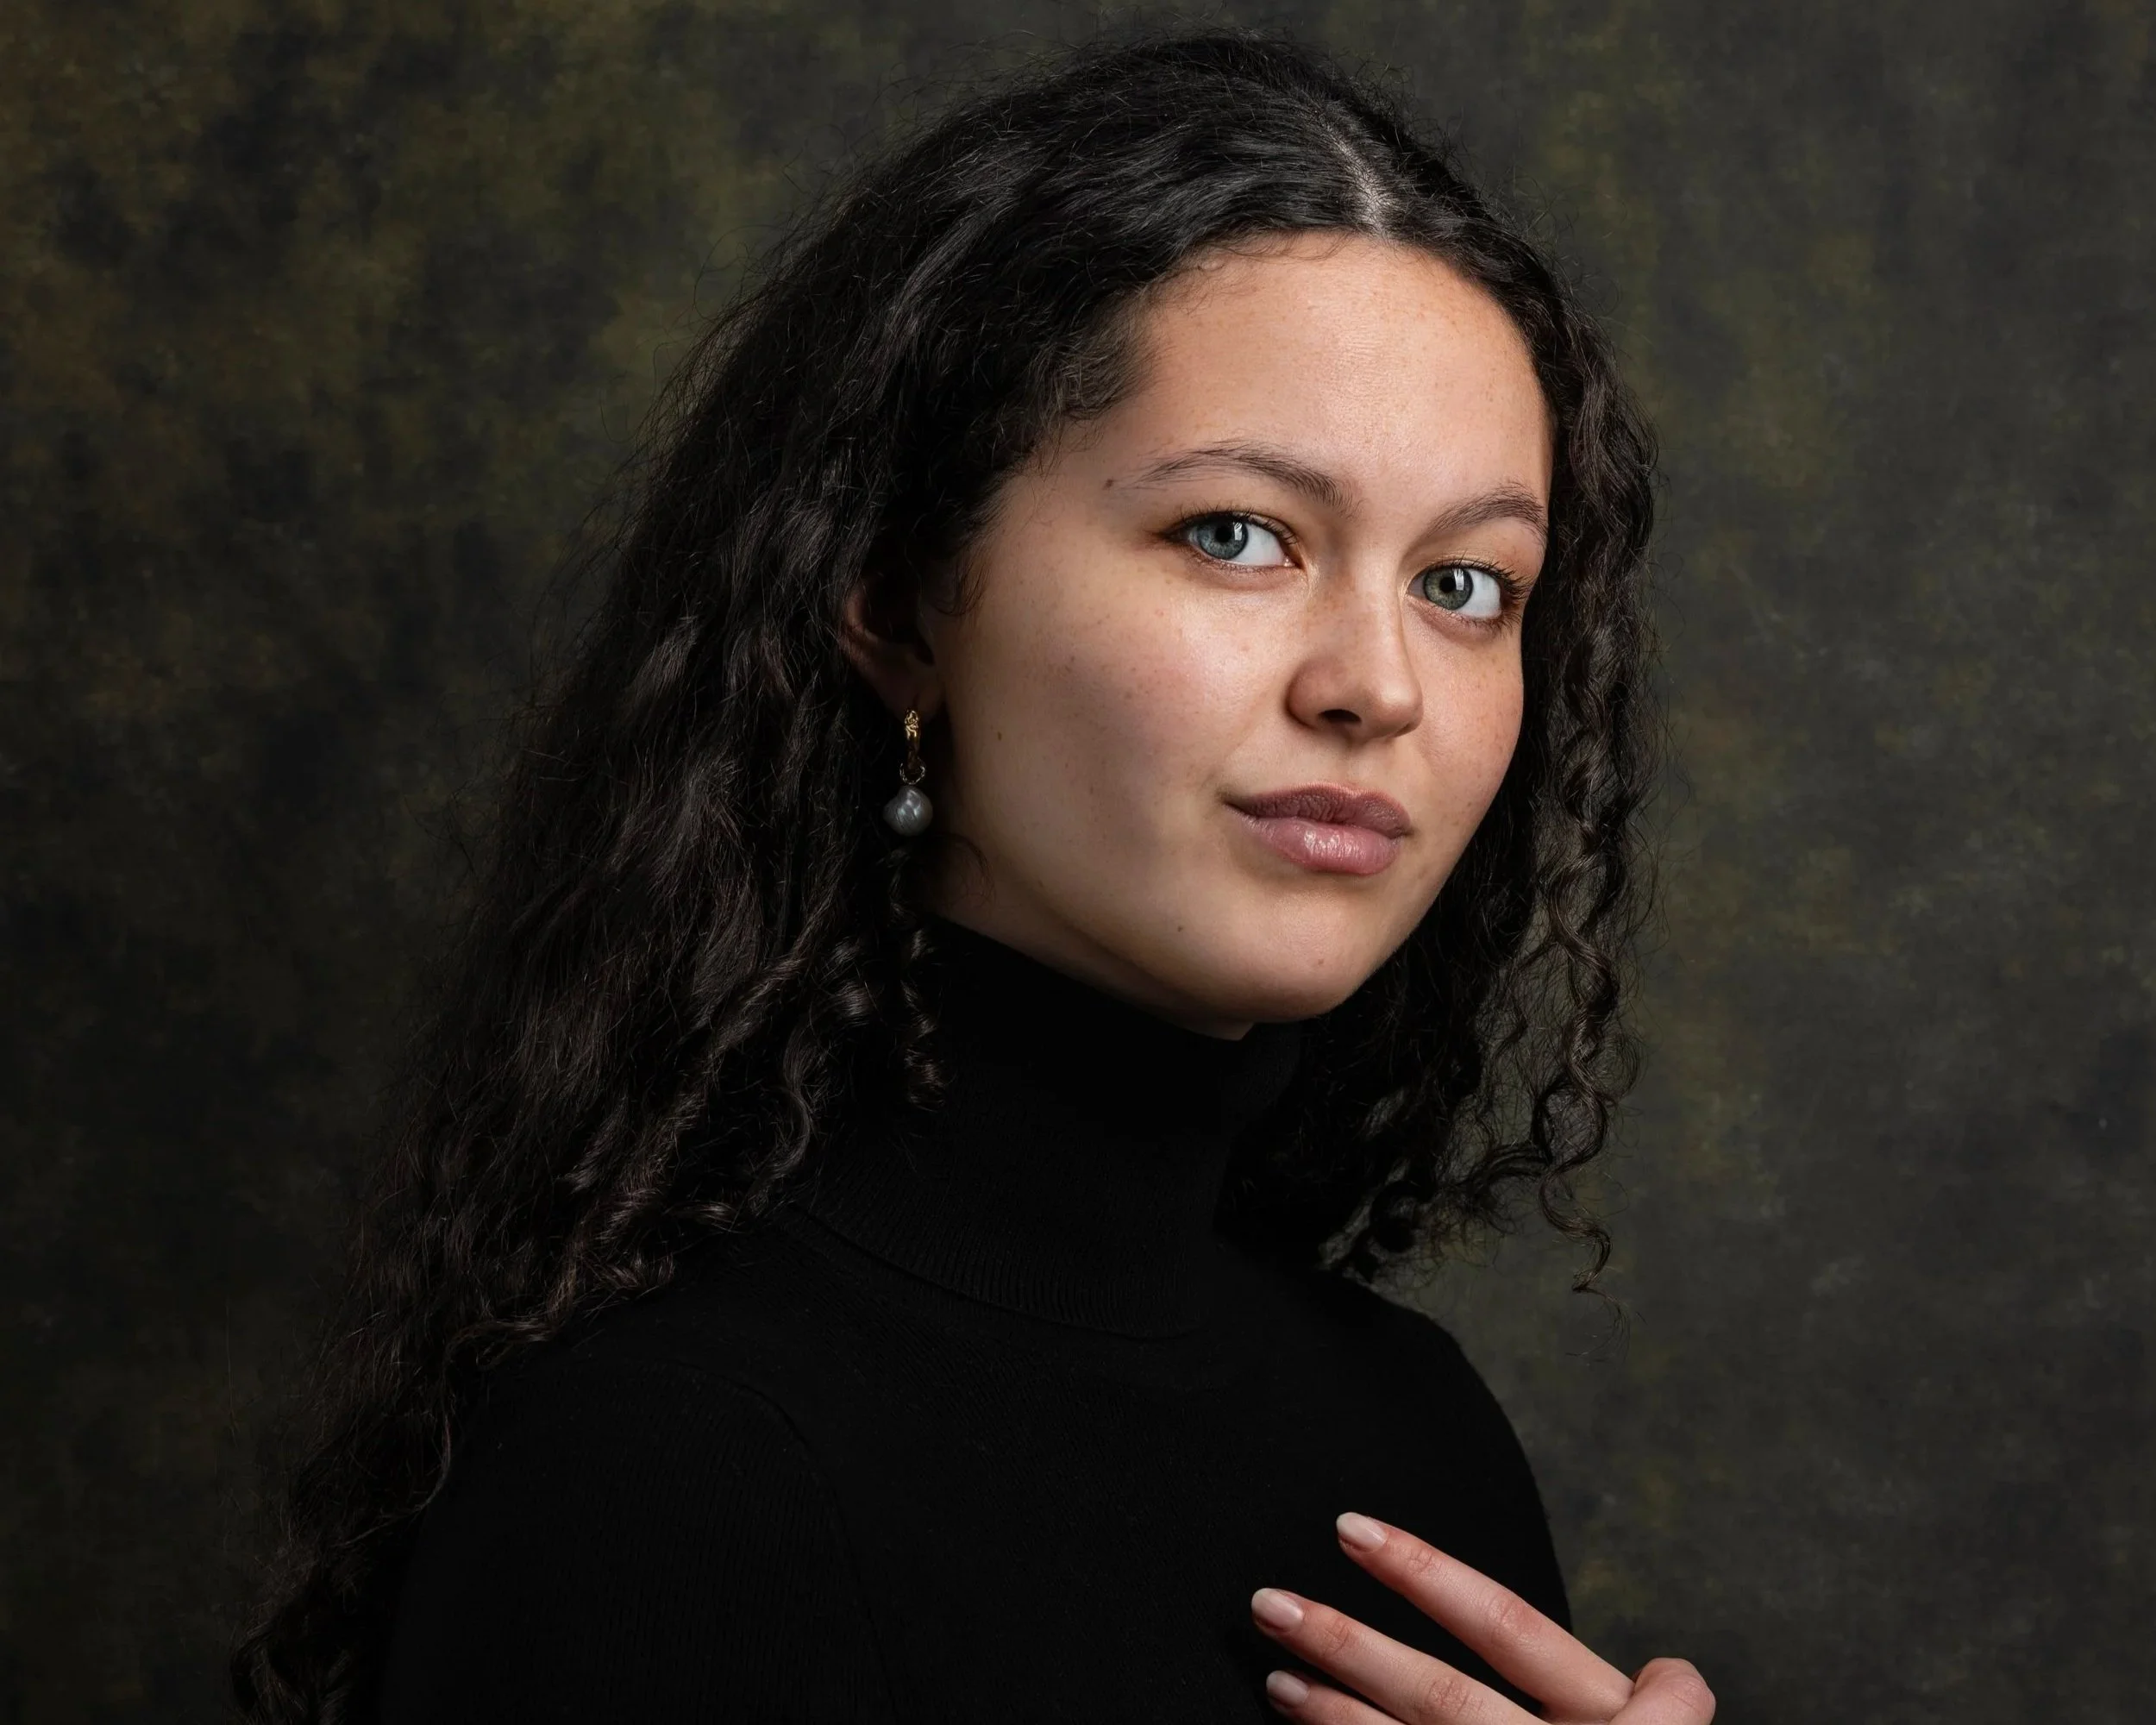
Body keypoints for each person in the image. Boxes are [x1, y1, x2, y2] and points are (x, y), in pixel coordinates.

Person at [233, 30, 1714, 1725]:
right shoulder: (668, 1464)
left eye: (1464, 584)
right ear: (897, 598)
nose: (1376, 684)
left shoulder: (1413, 1438)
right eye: (1237, 535)